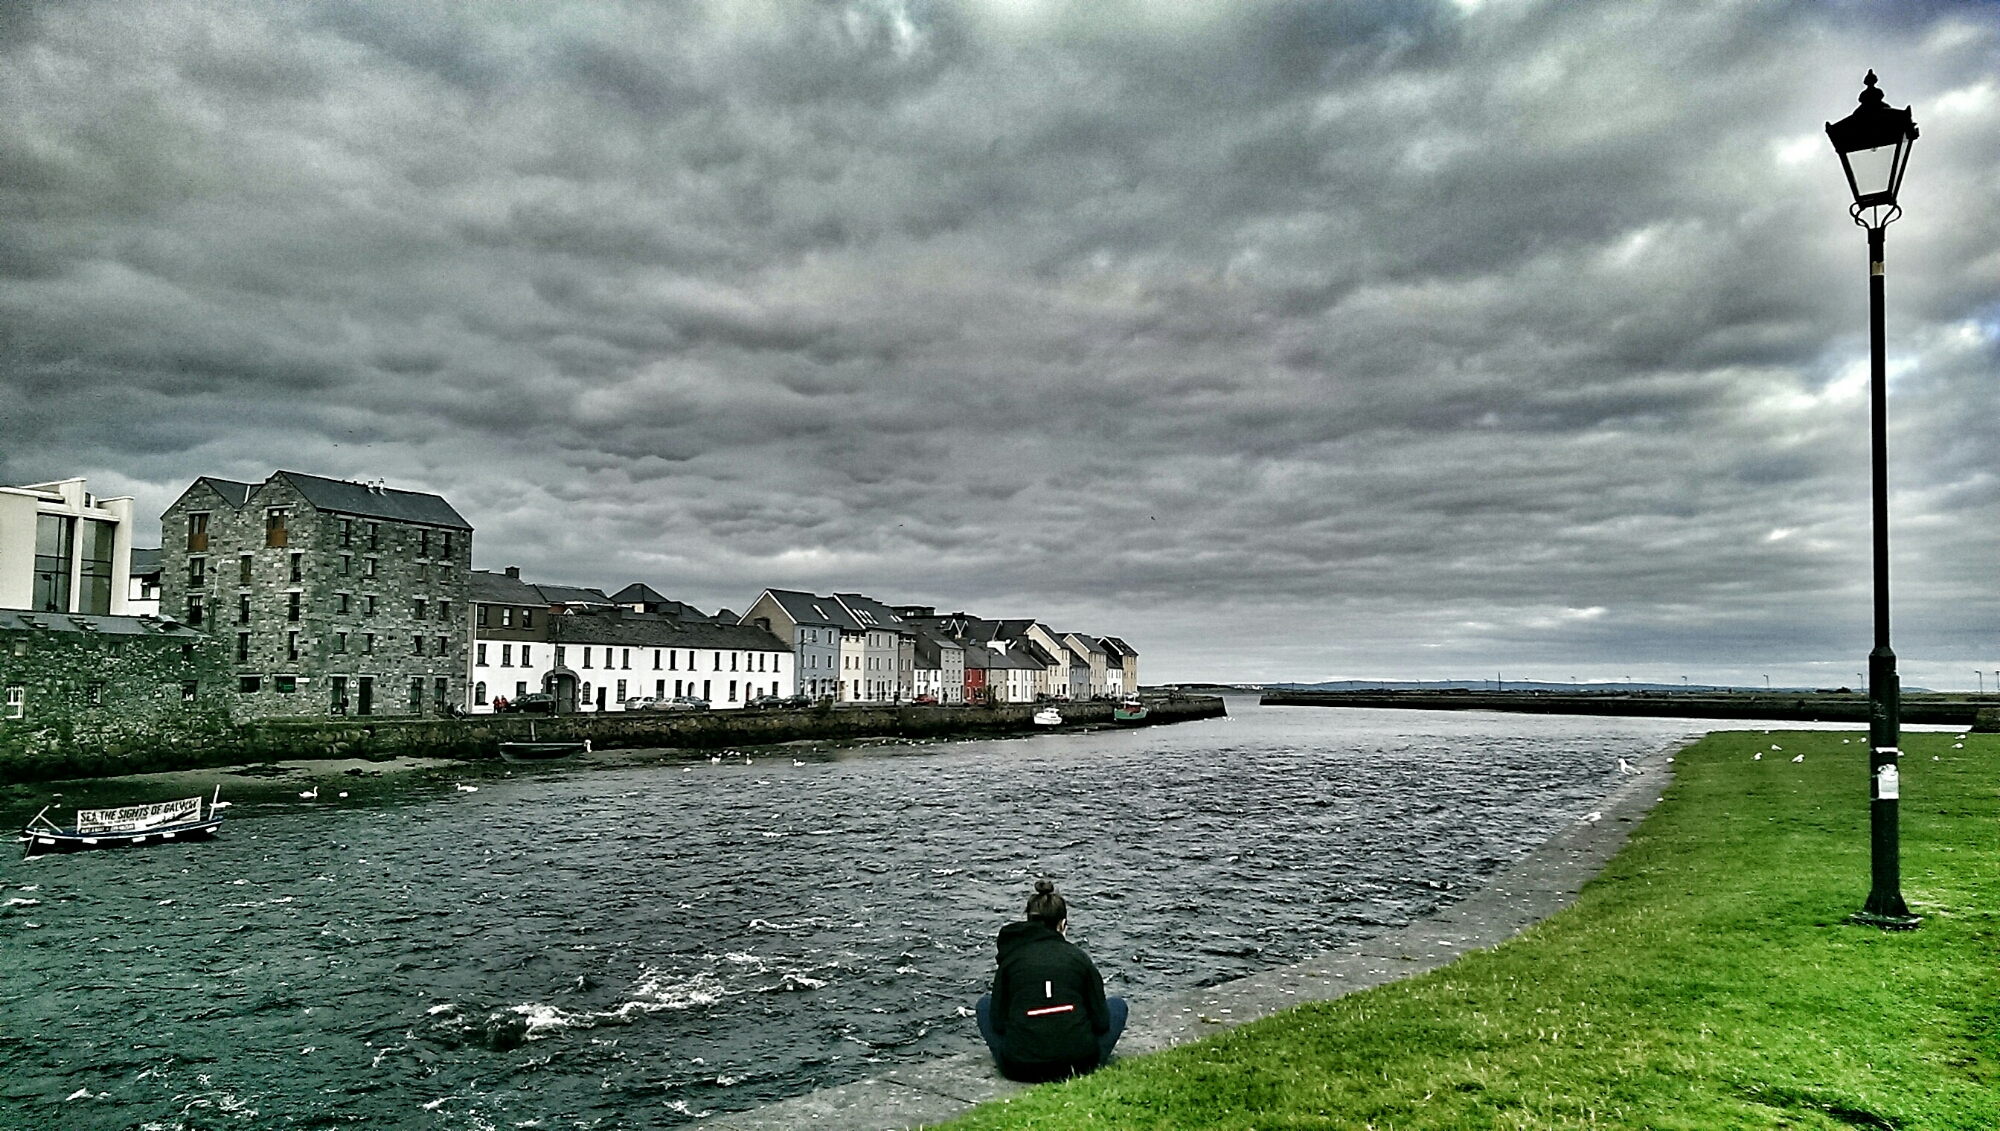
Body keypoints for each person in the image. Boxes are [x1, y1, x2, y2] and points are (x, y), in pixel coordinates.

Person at [975, 879, 1127, 1082]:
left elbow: (998, 1023)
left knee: (984, 1004)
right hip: (1078, 1063)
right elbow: (1102, 1022)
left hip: (1020, 1067)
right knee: (1117, 1005)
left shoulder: (1011, 959)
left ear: (1028, 921)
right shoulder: (1079, 958)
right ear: (1062, 924)